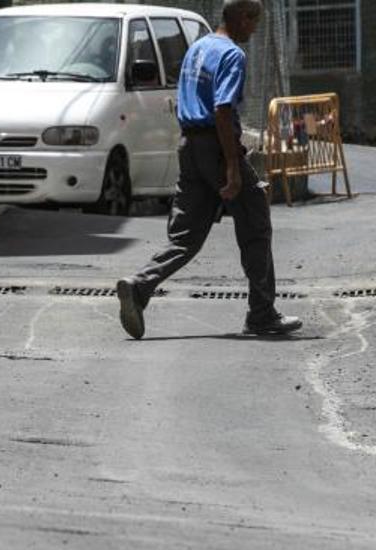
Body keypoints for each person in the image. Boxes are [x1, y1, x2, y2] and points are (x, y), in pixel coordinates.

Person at [115, 0, 302, 340]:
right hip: (217, 147)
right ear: (241, 18)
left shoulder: (197, 49)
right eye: (253, 21)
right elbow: (221, 109)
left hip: (190, 147)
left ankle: (139, 285)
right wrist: (232, 166)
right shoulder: (232, 55)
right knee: (255, 225)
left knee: (185, 238)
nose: (255, 28)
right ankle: (262, 314)